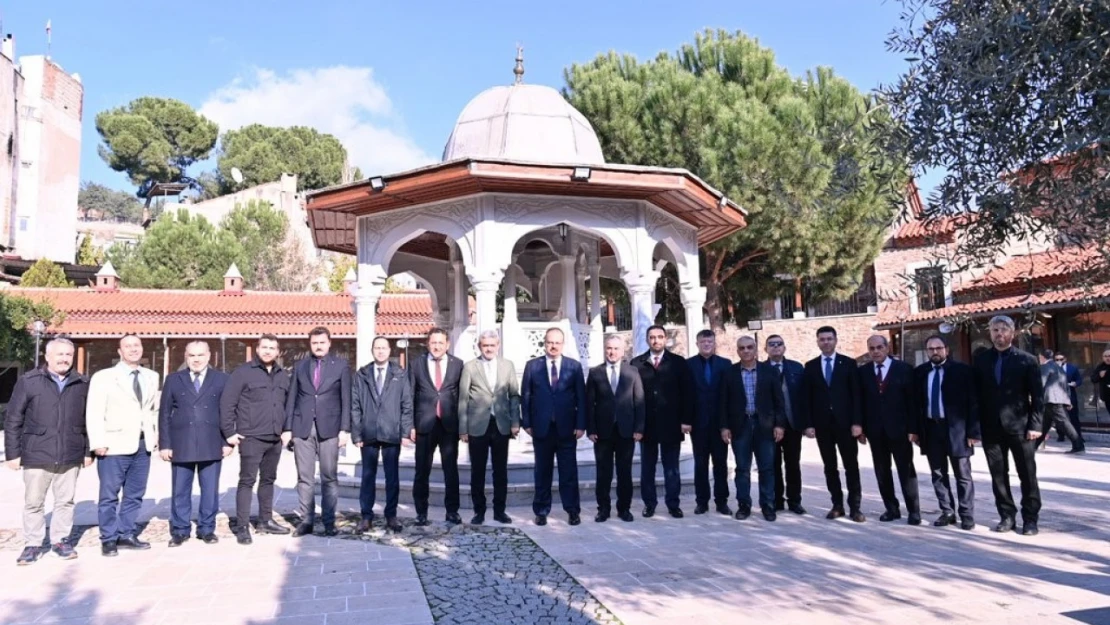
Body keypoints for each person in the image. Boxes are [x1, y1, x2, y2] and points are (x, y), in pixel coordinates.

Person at [5, 338, 91, 565]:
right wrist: (12, 453)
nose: (64, 359)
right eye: (59, 354)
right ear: (47, 356)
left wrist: (87, 450)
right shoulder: (29, 381)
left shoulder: (81, 382)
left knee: (65, 501)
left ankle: (61, 540)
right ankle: (33, 544)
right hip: (37, 453)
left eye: (68, 355)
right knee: (34, 502)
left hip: (70, 453)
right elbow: (14, 418)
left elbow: (88, 419)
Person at [87, 334, 160, 557]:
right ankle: (108, 538)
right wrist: (97, 441)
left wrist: (154, 436)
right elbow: (94, 411)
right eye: (127, 346)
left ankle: (126, 532)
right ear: (119, 351)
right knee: (109, 495)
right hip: (113, 444)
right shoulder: (104, 377)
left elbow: (152, 410)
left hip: (142, 443)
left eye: (136, 345)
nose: (133, 349)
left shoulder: (151, 376)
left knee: (135, 493)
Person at [972, 315, 1044, 536]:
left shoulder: (1027, 360)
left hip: (1020, 427)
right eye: (995, 330)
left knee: (1027, 474)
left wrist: (1036, 425)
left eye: (1003, 329)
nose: (999, 333)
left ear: (1012, 333)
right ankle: (1006, 515)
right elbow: (975, 396)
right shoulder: (981, 360)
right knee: (998, 475)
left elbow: (1038, 396)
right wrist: (975, 429)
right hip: (991, 428)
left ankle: (1030, 518)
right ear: (990, 333)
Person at [221, 334, 292, 545]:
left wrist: (287, 430)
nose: (268, 351)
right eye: (264, 347)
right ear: (257, 349)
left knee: (269, 480)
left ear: (278, 352)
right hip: (251, 436)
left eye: (272, 348)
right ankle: (242, 526)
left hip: (274, 437)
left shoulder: (283, 375)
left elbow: (287, 406)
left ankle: (265, 520)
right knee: (247, 481)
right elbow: (227, 404)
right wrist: (229, 433)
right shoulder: (243, 373)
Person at [158, 341, 231, 547]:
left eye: (200, 355)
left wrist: (227, 441)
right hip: (181, 442)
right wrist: (165, 444)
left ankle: (207, 529)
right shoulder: (173, 380)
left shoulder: (221, 379)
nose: (196, 359)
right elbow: (164, 414)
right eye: (192, 355)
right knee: (180, 489)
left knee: (210, 490)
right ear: (185, 357)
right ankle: (180, 530)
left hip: (212, 441)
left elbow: (228, 413)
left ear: (209, 356)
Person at [283, 327, 352, 537]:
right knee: (305, 477)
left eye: (322, 342)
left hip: (330, 429)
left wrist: (345, 429)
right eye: (315, 343)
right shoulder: (300, 366)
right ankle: (306, 520)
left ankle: (329, 521)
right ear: (310, 344)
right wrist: (287, 428)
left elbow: (346, 400)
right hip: (302, 427)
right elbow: (291, 398)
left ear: (329, 343)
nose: (319, 346)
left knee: (329, 477)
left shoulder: (340, 366)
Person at [521, 327, 586, 526]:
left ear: (563, 344)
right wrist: (528, 423)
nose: (553, 346)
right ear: (545, 343)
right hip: (542, 429)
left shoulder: (574, 367)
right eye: (550, 342)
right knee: (542, 472)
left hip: (567, 428)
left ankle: (572, 510)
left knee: (569, 472)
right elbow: (526, 397)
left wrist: (581, 424)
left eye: (557, 342)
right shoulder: (532, 366)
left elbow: (581, 398)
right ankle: (541, 511)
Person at [800, 326, 865, 522]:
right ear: (817, 341)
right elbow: (807, 398)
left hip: (845, 424)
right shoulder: (810, 366)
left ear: (836, 340)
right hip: (822, 426)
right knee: (830, 466)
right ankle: (837, 504)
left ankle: (855, 507)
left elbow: (856, 395)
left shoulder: (848, 363)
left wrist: (857, 422)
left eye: (829, 339)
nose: (826, 342)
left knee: (851, 466)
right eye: (822, 339)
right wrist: (808, 424)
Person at [915, 335, 979, 530]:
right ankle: (947, 511)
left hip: (957, 429)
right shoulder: (920, 373)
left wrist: (973, 432)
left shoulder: (962, 371)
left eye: (939, 348)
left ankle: (966, 514)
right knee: (938, 474)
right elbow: (915, 404)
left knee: (962, 474)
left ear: (946, 350)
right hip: (931, 428)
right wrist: (916, 431)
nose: (935, 352)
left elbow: (973, 403)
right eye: (931, 349)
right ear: (927, 351)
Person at [719, 336, 785, 521]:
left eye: (749, 347)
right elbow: (723, 403)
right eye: (742, 348)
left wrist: (779, 425)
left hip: (764, 425)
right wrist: (724, 427)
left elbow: (779, 401)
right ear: (737, 351)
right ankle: (744, 505)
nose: (746, 351)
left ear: (756, 349)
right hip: (741, 426)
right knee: (742, 469)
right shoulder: (730, 373)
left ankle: (768, 505)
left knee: (767, 468)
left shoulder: (769, 371)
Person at [458, 330, 520, 525]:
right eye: (485, 345)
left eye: (492, 345)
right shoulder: (470, 367)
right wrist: (463, 428)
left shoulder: (507, 365)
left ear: (498, 345)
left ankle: (499, 511)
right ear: (479, 346)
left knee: (500, 471)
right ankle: (479, 511)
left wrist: (515, 422)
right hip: (477, 425)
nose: (489, 349)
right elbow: (463, 398)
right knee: (478, 470)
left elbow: (514, 395)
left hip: (501, 424)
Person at [351, 336, 413, 533]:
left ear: (389, 350)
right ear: (372, 350)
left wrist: (405, 432)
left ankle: (391, 516)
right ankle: (366, 516)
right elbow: (355, 406)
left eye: (384, 348)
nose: (380, 351)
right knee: (368, 476)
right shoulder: (362, 375)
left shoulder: (400, 374)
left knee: (392, 477)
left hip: (391, 431)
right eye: (377, 347)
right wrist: (357, 433)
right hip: (368, 431)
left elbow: (407, 405)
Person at [630, 325, 692, 518]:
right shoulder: (637, 363)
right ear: (647, 340)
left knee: (671, 467)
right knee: (647, 467)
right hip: (646, 425)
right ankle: (649, 503)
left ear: (665, 339)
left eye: (659, 337)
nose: (656, 340)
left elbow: (687, 394)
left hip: (671, 424)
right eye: (652, 337)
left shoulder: (678, 363)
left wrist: (686, 420)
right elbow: (631, 396)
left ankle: (673, 504)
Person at [859, 335, 922, 525]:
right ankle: (891, 508)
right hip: (875, 431)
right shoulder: (862, 372)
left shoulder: (904, 369)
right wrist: (861, 427)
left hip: (900, 430)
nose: (875, 351)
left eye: (879, 347)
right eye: (872, 348)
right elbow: (860, 402)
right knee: (882, 471)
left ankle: (914, 511)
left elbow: (913, 402)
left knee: (906, 471)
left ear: (887, 348)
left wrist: (913, 428)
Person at [586, 335, 645, 523]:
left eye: (616, 348)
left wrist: (639, 428)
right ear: (605, 349)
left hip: (626, 430)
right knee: (603, 473)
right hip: (602, 432)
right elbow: (589, 404)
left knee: (624, 472)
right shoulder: (595, 372)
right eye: (609, 348)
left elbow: (639, 402)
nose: (612, 352)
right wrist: (591, 429)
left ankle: (624, 509)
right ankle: (603, 509)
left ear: (623, 350)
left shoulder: (633, 372)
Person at [409, 328, 464, 526]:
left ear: (447, 344)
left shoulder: (458, 365)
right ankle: (421, 512)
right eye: (433, 343)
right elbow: (409, 396)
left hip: (449, 425)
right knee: (422, 470)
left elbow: (462, 396)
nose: (437, 346)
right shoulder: (416, 364)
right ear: (428, 343)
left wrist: (463, 425)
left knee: (451, 470)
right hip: (424, 425)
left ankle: (452, 511)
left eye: (441, 343)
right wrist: (410, 426)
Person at [686, 329, 733, 516]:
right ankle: (701, 502)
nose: (706, 344)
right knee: (700, 464)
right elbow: (686, 396)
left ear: (714, 343)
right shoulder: (688, 365)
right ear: (697, 344)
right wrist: (686, 420)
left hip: (720, 424)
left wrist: (727, 424)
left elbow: (729, 396)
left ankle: (722, 502)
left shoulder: (725, 364)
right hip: (698, 424)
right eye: (703, 342)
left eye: (710, 342)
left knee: (720, 464)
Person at [764, 334, 807, 515]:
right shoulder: (760, 369)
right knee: (773, 464)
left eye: (779, 344)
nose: (776, 347)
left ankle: (795, 501)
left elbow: (805, 397)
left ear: (784, 347)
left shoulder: (796, 368)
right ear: (766, 349)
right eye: (771, 345)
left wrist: (807, 423)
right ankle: (777, 500)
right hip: (769, 426)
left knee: (793, 464)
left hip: (792, 424)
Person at [1038, 350, 1084, 453]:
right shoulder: (1059, 368)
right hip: (1056, 398)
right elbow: (1065, 385)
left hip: (1051, 399)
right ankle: (1033, 445)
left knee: (1064, 422)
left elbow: (1041, 382)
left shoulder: (1045, 366)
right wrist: (1067, 400)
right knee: (1045, 424)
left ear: (1042, 357)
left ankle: (1078, 445)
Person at [1054, 353, 1084, 444]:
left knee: (1074, 416)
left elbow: (1079, 380)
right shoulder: (1052, 368)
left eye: (1061, 359)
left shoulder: (1072, 368)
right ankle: (1061, 435)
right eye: (1057, 359)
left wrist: (1075, 383)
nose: (1059, 361)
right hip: (1057, 395)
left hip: (1070, 394)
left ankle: (1078, 436)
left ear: (1065, 359)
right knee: (1059, 417)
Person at [1089, 348, 1110, 421]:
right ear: (1103, 357)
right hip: (1107, 397)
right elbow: (1093, 379)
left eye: (1109, 356)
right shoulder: (1100, 366)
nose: (1108, 358)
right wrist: (1099, 376)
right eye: (1105, 356)